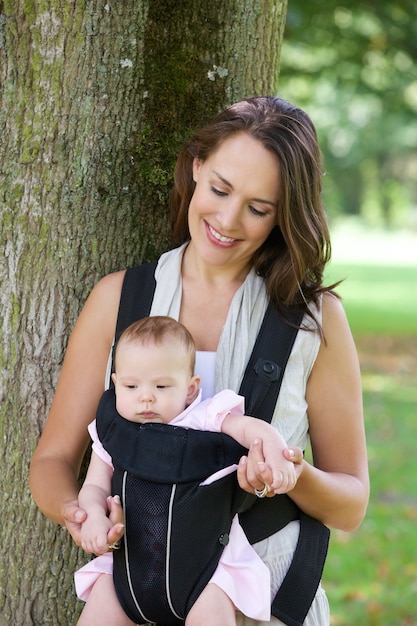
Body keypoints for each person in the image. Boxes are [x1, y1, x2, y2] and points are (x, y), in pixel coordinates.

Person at [30, 95, 369, 626]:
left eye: (258, 209)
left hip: (259, 599)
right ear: (195, 167)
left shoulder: (312, 321)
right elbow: (53, 459)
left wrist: (286, 473)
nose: (227, 220)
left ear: (283, 217)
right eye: (219, 189)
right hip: (134, 593)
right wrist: (80, 510)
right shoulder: (118, 300)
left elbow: (350, 504)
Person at [75, 315, 298, 625]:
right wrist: (94, 517)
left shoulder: (202, 418)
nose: (146, 396)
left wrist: (275, 450)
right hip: (127, 568)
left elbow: (250, 429)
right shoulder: (113, 432)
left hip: (204, 572)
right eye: (131, 385)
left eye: (162, 385)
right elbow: (95, 487)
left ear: (191, 389)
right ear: (115, 384)